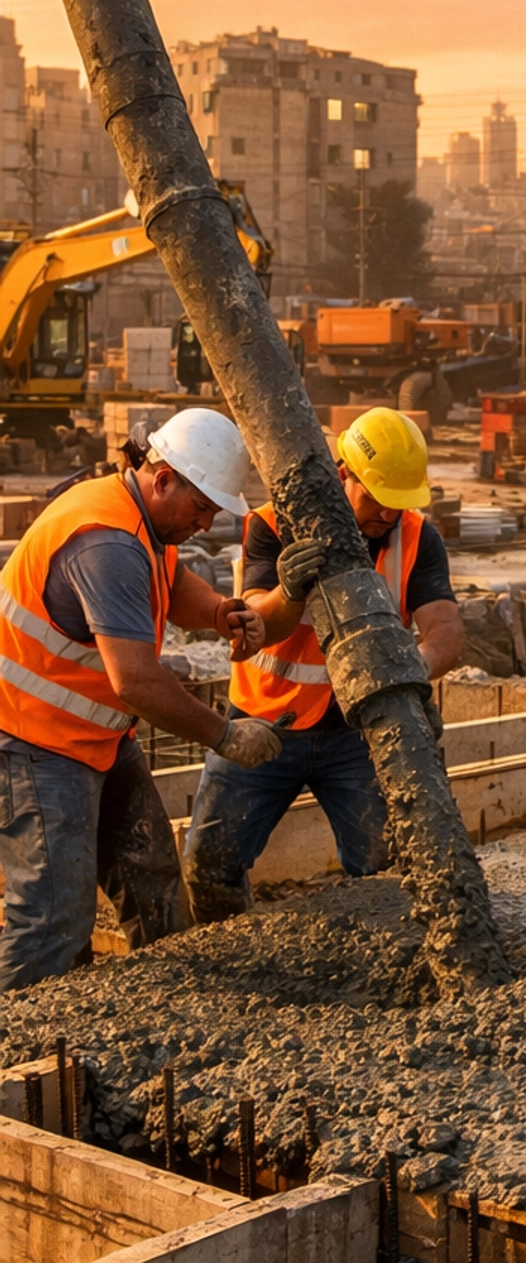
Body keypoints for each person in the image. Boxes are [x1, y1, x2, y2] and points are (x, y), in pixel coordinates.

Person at [0, 409, 281, 990]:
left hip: (92, 735)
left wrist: (217, 612)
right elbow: (136, 681)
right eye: (202, 507)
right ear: (164, 479)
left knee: (150, 874)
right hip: (33, 741)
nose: (206, 522)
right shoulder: (107, 543)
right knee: (52, 919)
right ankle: (22, 1051)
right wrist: (226, 735)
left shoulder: (142, 520)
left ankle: (168, 1007)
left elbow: (168, 581)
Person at [183, 407, 463, 920]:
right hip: (263, 724)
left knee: (383, 865)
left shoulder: (418, 537)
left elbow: (445, 630)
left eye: (400, 502)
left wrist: (412, 674)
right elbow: (256, 622)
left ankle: (382, 956)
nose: (390, 514)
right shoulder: (271, 525)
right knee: (209, 863)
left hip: (356, 734)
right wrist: (290, 592)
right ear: (342, 475)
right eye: (379, 498)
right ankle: (230, 954)